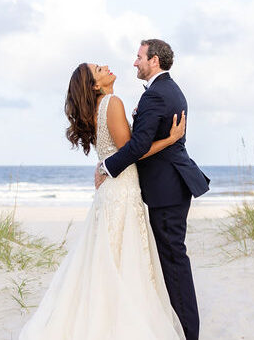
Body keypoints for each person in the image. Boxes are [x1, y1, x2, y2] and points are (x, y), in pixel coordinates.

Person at [19, 61, 187, 339]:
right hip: (121, 189)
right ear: (95, 86)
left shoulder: (97, 109)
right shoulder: (112, 102)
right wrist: (170, 139)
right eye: (99, 69)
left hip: (109, 191)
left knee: (110, 255)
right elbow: (133, 150)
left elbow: (115, 151)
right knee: (126, 256)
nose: (106, 67)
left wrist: (105, 164)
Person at [97, 39, 210, 340]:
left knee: (173, 262)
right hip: (169, 186)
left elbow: (138, 145)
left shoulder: (157, 95)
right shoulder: (163, 91)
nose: (134, 62)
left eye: (138, 57)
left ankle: (188, 334)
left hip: (168, 188)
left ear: (154, 60)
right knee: (171, 261)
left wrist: (106, 168)